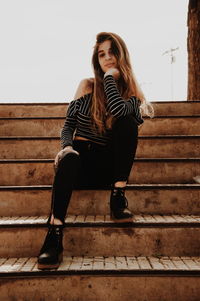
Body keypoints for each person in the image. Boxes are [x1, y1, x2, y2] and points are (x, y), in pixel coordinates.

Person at [37, 32, 154, 270]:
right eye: (102, 54)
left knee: (128, 123)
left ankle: (118, 195)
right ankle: (54, 234)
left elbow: (119, 111)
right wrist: (66, 147)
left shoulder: (133, 97)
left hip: (107, 166)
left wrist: (110, 79)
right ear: (96, 60)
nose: (107, 58)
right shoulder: (86, 86)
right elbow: (68, 125)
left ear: (121, 56)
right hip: (80, 163)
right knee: (70, 156)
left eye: (112, 52)